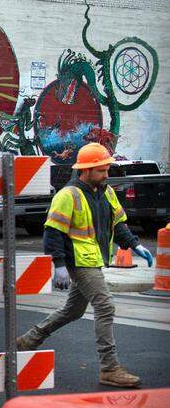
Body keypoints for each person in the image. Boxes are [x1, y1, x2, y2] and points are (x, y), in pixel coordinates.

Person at [16, 143, 154, 388]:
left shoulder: (106, 192)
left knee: (73, 310)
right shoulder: (67, 195)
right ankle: (109, 368)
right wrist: (58, 265)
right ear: (86, 170)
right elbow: (53, 232)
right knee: (105, 305)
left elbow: (119, 224)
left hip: (94, 260)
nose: (106, 175)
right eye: (101, 171)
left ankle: (29, 340)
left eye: (107, 170)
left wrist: (135, 246)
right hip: (78, 262)